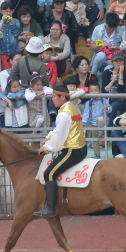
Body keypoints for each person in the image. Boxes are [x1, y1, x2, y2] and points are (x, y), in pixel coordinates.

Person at [33, 86, 87, 217]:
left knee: (49, 174)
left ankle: (51, 209)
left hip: (72, 150)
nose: (52, 100)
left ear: (62, 97)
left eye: (54, 97)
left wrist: (46, 147)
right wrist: (47, 138)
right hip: (80, 147)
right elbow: (58, 130)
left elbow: (59, 138)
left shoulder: (63, 113)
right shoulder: (70, 107)